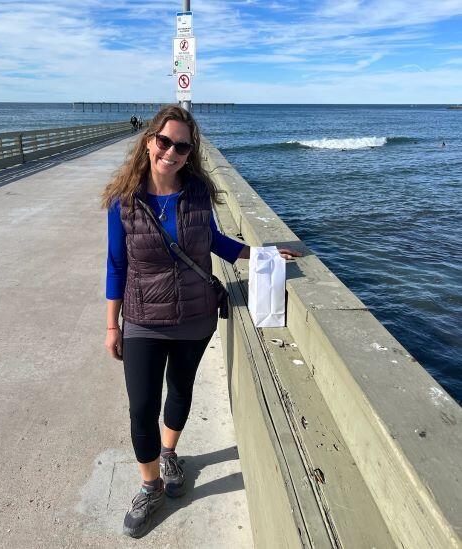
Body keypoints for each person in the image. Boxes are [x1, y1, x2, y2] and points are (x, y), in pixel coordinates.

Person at [101, 105, 300, 539]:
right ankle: (150, 485)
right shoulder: (124, 201)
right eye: (165, 141)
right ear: (149, 140)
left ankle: (170, 454)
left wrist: (263, 255)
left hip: (194, 316)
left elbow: (215, 243)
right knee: (141, 409)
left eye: (182, 146)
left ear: (190, 153)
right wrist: (112, 325)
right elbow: (116, 265)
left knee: (181, 391)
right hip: (143, 320)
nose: (171, 152)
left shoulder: (196, 195)